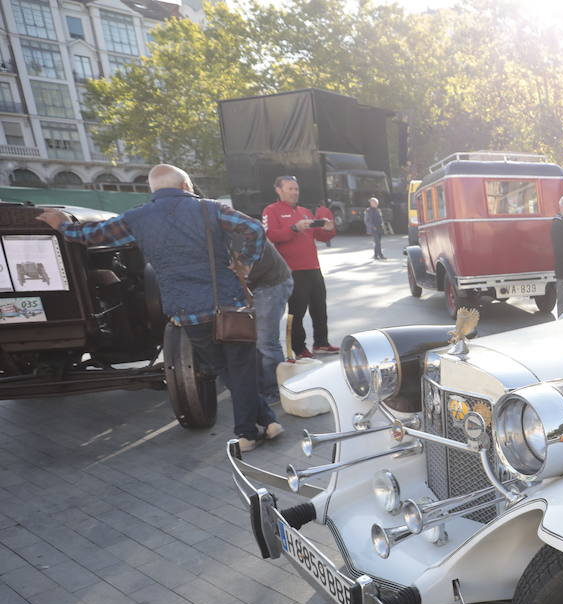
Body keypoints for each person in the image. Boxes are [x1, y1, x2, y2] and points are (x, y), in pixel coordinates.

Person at [37, 164, 282, 450]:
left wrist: (61, 224)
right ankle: (256, 428)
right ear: (186, 186)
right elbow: (253, 227)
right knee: (240, 369)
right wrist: (244, 262)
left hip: (187, 312)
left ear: (153, 189)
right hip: (228, 305)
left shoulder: (138, 217)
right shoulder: (211, 209)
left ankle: (258, 427)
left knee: (224, 368)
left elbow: (94, 235)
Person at [264, 175, 338, 361]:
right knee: (296, 311)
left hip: (313, 267)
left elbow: (321, 237)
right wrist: (294, 228)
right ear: (278, 190)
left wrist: (328, 228)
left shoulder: (305, 211)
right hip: (291, 270)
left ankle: (321, 342)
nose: (295, 192)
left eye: (296, 189)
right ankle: (297, 348)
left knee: (319, 307)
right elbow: (271, 235)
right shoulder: (271, 211)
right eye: (290, 189)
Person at [239, 238, 292, 406]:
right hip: (268, 283)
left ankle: (275, 391)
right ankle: (266, 386)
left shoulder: (237, 230)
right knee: (261, 341)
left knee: (266, 342)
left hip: (271, 285)